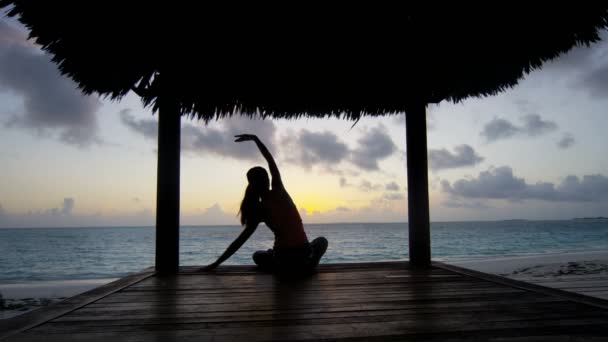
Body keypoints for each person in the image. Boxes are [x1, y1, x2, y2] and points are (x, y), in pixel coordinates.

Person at [202, 134, 328, 273]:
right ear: (266, 180)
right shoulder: (279, 191)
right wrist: (256, 139)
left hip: (282, 258)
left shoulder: (258, 210)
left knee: (257, 256)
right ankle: (307, 264)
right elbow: (270, 160)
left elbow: (240, 241)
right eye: (265, 177)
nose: (268, 178)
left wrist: (216, 263)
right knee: (321, 241)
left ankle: (286, 265)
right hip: (303, 254)